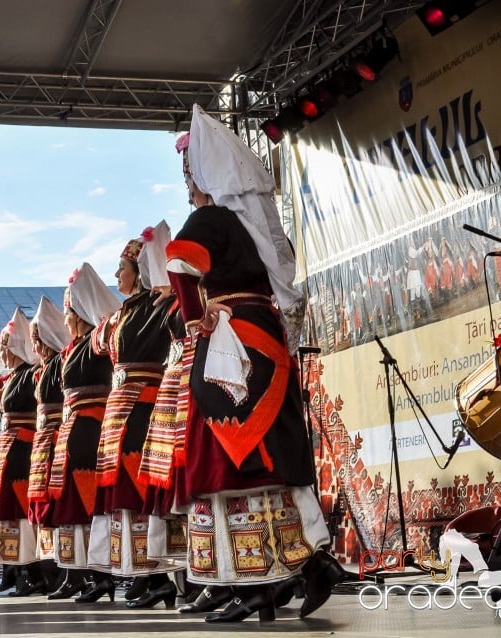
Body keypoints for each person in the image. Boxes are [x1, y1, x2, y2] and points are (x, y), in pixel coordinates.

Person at [167, 104, 347, 623]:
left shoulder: (211, 219)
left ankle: (255, 584)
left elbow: (179, 263)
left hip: (233, 348)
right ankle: (305, 563)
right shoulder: (257, 226)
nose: (187, 183)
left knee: (231, 464)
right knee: (274, 457)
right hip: (265, 338)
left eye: (189, 173)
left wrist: (197, 313)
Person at [87, 230, 180, 609]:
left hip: (141, 409)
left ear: (139, 272)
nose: (116, 275)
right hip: (121, 411)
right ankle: (140, 573)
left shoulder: (156, 306)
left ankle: (158, 576)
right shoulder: (125, 313)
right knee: (122, 496)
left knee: (139, 491)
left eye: (121, 268)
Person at [47, 263, 119, 603]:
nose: (65, 319)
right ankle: (79, 572)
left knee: (90, 503)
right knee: (73, 505)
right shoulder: (73, 348)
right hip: (72, 429)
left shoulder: (96, 340)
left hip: (90, 428)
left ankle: (101, 574)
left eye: (69, 312)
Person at [0, 308, 44, 596]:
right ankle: (22, 571)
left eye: (5, 346)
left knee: (23, 511)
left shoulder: (30, 374)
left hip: (23, 449)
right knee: (12, 511)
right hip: (10, 450)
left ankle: (33, 571)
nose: (1, 352)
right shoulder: (11, 377)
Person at [26, 297, 75, 599]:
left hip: (58, 435)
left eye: (37, 338)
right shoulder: (44, 368)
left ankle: (69, 573)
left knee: (60, 502)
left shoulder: (59, 361)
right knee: (46, 505)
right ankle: (56, 570)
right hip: (45, 439)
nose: (35, 345)